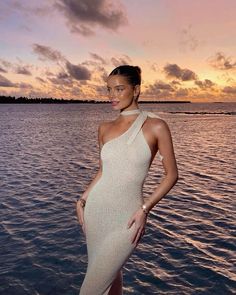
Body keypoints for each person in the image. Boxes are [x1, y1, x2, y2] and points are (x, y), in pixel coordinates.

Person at [76, 65, 178, 294]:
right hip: (96, 213)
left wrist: (145, 209)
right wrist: (82, 199)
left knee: (90, 289)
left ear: (136, 89)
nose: (111, 95)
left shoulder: (156, 126)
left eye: (119, 89)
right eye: (108, 89)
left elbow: (172, 175)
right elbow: (104, 171)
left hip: (128, 219)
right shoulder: (104, 128)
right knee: (112, 280)